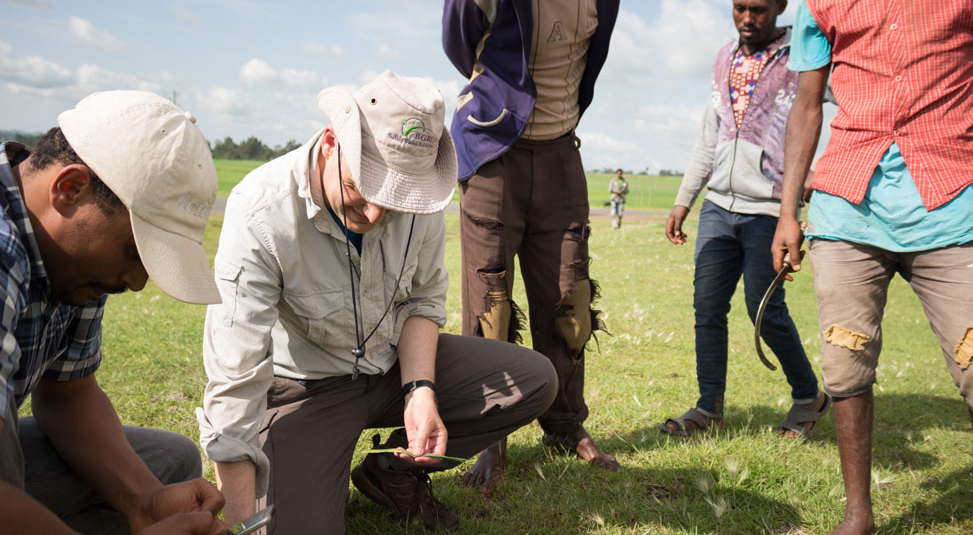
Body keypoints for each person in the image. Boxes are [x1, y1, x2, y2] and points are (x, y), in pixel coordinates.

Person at [198, 71, 557, 534]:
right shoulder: (260, 210)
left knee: (532, 379)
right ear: (332, 143)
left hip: (391, 369)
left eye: (393, 200)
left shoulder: (418, 202)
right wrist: (239, 524)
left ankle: (392, 472)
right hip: (307, 391)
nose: (373, 214)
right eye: (362, 189)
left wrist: (420, 391)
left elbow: (423, 302)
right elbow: (235, 380)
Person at [773, 0, 973, 533]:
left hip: (952, 198)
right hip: (848, 204)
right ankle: (858, 515)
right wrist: (789, 210)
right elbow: (807, 105)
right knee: (846, 364)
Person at [441, 0, 627, 492]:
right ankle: (488, 440)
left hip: (562, 156)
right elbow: (458, 48)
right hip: (494, 155)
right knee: (488, 302)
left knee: (569, 297)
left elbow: (591, 51)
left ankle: (566, 425)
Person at [0, 91, 227, 534]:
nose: (137, 282)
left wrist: (143, 501)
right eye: (133, 251)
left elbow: (69, 394)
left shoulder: (70, 261)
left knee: (168, 461)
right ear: (70, 190)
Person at [661, 0, 829, 439]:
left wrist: (825, 170)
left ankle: (808, 397)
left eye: (758, 8)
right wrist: (683, 200)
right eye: (739, 7)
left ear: (780, 5)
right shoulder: (722, 58)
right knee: (707, 308)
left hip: (769, 212)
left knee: (764, 310)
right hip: (718, 207)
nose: (747, 18)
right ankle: (708, 408)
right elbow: (709, 134)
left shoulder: (804, 56)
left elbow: (849, 105)